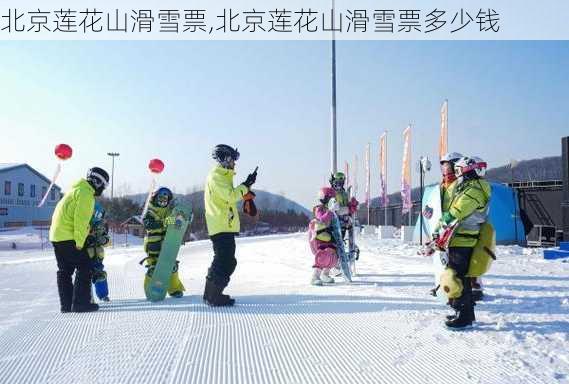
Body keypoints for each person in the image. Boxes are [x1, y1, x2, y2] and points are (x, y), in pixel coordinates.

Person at [438, 156, 491, 328]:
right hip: (460, 237)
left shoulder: (473, 190)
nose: (457, 175)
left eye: (459, 171)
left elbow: (457, 211)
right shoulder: (470, 188)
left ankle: (463, 315)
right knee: (462, 278)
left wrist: (441, 222)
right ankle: (466, 313)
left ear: (465, 171)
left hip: (464, 239)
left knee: (454, 278)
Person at [49, 167, 109, 313]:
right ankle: (81, 303)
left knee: (65, 270)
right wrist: (80, 243)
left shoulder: (74, 190)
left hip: (57, 236)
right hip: (69, 236)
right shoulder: (86, 194)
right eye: (104, 186)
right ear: (96, 182)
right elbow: (80, 221)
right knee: (85, 266)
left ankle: (67, 305)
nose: (103, 190)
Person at [203, 144, 256, 307]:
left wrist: (246, 187)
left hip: (224, 224)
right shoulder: (216, 176)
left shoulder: (223, 176)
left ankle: (211, 294)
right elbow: (230, 196)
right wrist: (245, 185)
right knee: (224, 260)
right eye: (233, 158)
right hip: (220, 225)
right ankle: (212, 296)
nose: (235, 162)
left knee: (225, 260)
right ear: (225, 159)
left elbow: (229, 197)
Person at [141, 187, 185, 298]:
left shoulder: (170, 212)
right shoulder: (150, 211)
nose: (163, 201)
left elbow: (176, 224)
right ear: (155, 198)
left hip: (166, 245)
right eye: (160, 198)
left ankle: (174, 289)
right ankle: (150, 290)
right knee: (154, 268)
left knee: (171, 266)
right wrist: (164, 222)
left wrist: (184, 220)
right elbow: (149, 224)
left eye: (165, 199)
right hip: (153, 245)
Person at [308, 187, 339, 286]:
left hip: (328, 236)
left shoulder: (330, 209)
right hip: (320, 237)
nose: (333, 200)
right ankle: (315, 276)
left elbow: (335, 222)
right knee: (323, 256)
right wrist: (330, 211)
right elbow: (322, 219)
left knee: (333, 255)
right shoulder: (319, 209)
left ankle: (325, 274)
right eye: (331, 198)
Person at [86, 201, 110, 302]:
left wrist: (104, 240)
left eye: (100, 215)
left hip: (97, 256)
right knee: (85, 276)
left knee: (100, 274)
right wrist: (88, 240)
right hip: (85, 255)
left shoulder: (101, 226)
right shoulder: (84, 224)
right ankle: (87, 297)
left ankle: (103, 295)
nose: (99, 217)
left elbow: (107, 240)